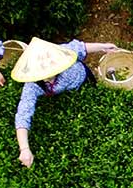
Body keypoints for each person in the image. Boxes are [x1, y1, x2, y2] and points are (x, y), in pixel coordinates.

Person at [12, 37, 118, 167]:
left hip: (83, 78)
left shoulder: (63, 51)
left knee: (93, 91)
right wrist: (24, 149)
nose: (47, 79)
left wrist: (104, 46)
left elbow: (82, 47)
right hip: (65, 93)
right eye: (42, 76)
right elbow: (23, 114)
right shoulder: (32, 85)